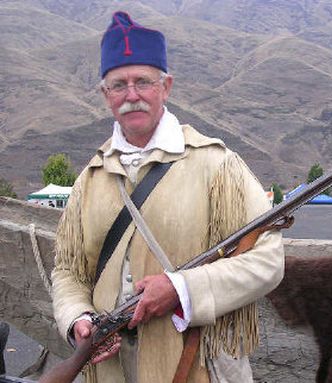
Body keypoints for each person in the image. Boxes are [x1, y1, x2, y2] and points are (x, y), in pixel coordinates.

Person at [51, 11, 284, 383]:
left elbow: (268, 261)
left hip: (195, 365)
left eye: (143, 81)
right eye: (118, 85)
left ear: (166, 86)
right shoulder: (90, 178)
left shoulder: (218, 166)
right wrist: (77, 318)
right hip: (109, 371)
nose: (132, 95)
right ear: (104, 94)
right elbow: (69, 271)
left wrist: (181, 289)